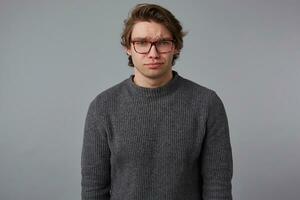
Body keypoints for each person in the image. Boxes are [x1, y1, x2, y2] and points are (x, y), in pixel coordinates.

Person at [81, 3, 233, 200]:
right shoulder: (102, 107)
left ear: (175, 46)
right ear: (128, 48)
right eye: (142, 42)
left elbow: (218, 187)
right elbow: (94, 188)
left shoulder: (207, 104)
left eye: (162, 42)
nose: (153, 53)